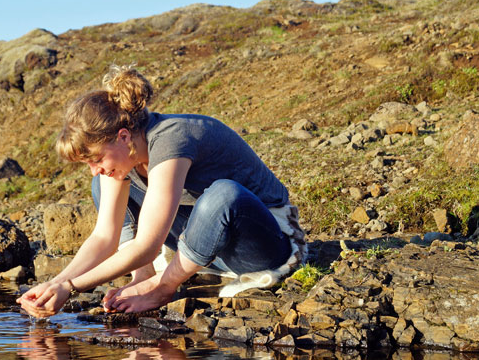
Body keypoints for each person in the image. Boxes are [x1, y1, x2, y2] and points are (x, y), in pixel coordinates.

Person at [19, 65, 306, 319]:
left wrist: (72, 288)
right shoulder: (125, 153)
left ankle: (164, 286)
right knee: (102, 185)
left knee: (222, 194)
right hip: (204, 243)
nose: (94, 169)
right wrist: (56, 283)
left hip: (264, 245)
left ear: (122, 136)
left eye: (96, 159)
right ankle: (143, 276)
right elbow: (104, 237)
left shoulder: (170, 139)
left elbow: (147, 245)